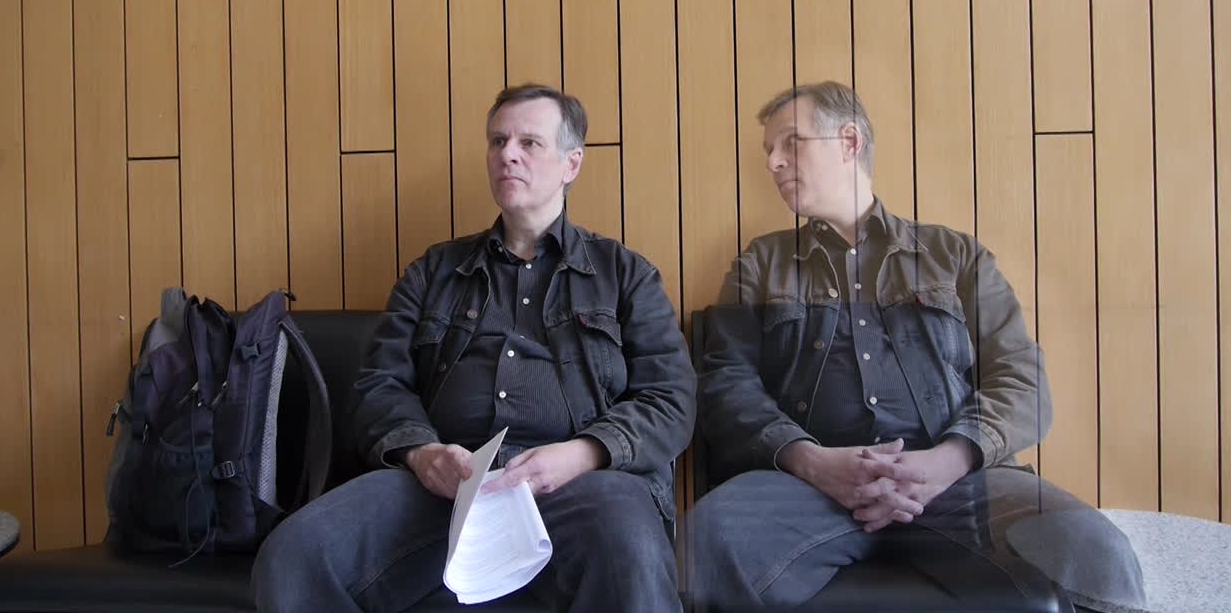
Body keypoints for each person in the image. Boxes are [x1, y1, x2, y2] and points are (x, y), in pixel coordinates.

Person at [690, 81, 1144, 610]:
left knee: (1096, 555)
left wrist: (949, 460)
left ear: (849, 142)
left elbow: (1022, 379)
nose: (773, 162)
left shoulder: (956, 257)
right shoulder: (759, 265)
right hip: (806, 486)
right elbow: (726, 384)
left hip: (961, 482)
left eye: (791, 142)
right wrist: (813, 462)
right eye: (769, 150)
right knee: (705, 544)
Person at [252, 84, 695, 612]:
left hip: (583, 487)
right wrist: (422, 454)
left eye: (529, 143)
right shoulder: (433, 272)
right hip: (443, 488)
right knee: (291, 556)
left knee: (631, 550)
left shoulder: (625, 275)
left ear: (571, 163)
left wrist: (583, 453)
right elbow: (379, 386)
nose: (508, 154)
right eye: (498, 141)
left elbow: (670, 399)